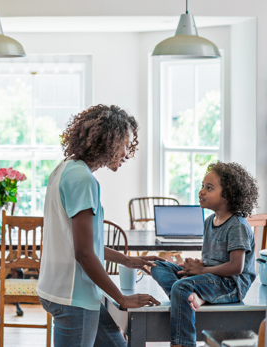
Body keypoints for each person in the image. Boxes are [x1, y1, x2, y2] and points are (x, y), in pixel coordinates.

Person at [36, 104, 162, 347]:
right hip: (74, 298)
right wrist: (121, 299)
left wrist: (125, 260)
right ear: (110, 141)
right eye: (127, 144)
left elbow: (80, 242)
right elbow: (83, 253)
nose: (128, 153)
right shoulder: (84, 179)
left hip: (59, 289)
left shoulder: (65, 169)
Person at [150, 162, 259, 347]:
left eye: (209, 188)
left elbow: (236, 267)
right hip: (211, 277)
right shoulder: (210, 221)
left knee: (181, 288)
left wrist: (202, 271)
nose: (201, 192)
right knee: (157, 266)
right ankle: (195, 297)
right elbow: (211, 258)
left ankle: (183, 343)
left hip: (230, 284)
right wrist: (197, 266)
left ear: (228, 195)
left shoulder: (237, 225)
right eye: (202, 186)